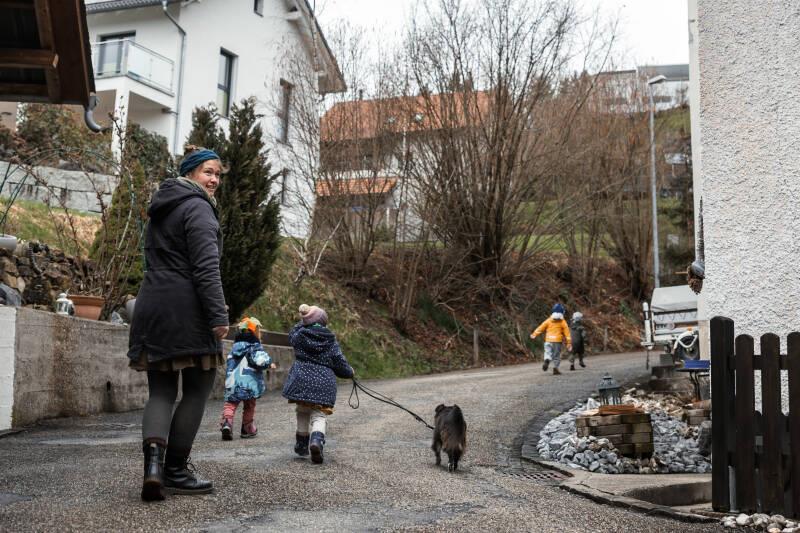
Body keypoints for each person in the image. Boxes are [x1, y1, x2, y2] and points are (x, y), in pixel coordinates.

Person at [128, 145, 229, 502]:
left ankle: (152, 471)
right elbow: (205, 268)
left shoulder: (162, 205)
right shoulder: (198, 208)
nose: (214, 179)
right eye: (208, 172)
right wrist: (218, 315)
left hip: (153, 303)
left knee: (161, 391)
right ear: (191, 173)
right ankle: (174, 470)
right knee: (199, 389)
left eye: (218, 173)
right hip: (187, 309)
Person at [283, 304, 354, 464]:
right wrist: (350, 372)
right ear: (324, 322)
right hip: (323, 383)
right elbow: (339, 362)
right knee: (319, 415)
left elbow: (291, 333)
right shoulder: (330, 340)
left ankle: (301, 444)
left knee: (302, 411)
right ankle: (316, 442)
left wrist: (303, 320)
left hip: (301, 381)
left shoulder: (299, 336)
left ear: (306, 322)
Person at [220, 316, 276, 440]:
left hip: (232, 383)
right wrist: (269, 363)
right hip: (249, 385)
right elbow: (261, 360)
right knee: (249, 405)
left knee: (230, 404)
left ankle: (227, 424)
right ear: (255, 333)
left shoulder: (233, 350)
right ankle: (247, 428)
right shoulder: (254, 348)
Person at [530, 303, 572, 376]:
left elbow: (541, 327)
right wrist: (569, 343)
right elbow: (567, 333)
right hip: (557, 342)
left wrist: (534, 334)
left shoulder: (549, 320)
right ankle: (555, 368)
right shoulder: (563, 322)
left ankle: (547, 360)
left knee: (547, 352)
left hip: (548, 340)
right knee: (556, 355)